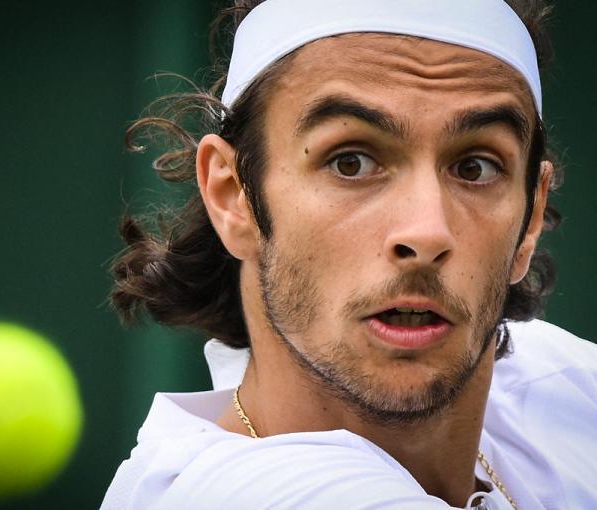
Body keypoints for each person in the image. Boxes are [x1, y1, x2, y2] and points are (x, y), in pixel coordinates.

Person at [103, 0, 597, 508]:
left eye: (475, 168)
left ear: (530, 216)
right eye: (351, 162)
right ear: (233, 198)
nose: (426, 233)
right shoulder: (237, 494)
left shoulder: (561, 385)